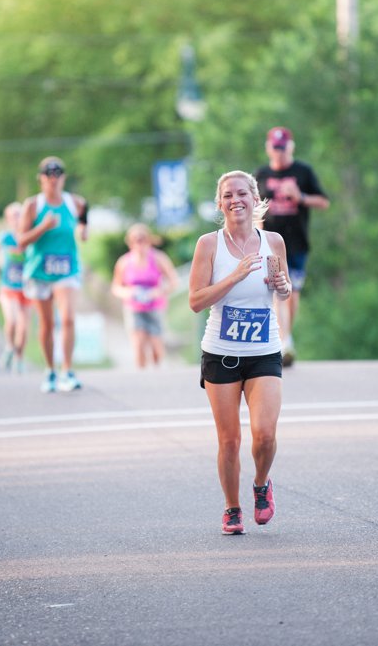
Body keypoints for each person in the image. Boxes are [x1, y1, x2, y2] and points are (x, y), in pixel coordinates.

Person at [189, 170, 292, 535]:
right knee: (229, 440)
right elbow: (195, 301)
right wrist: (233, 276)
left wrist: (282, 285)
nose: (236, 200)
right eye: (228, 195)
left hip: (264, 350)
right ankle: (232, 509)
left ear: (255, 198)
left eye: (242, 193)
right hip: (221, 353)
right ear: (220, 204)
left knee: (264, 434)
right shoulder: (209, 245)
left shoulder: (273, 241)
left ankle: (261, 485)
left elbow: (283, 291)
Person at [254, 126, 329, 367]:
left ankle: (286, 337)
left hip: (297, 244)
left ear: (291, 147)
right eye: (275, 148)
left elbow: (324, 201)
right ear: (268, 148)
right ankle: (283, 342)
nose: (279, 153)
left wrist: (301, 197)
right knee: (279, 290)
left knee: (292, 294)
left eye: (283, 148)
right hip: (271, 243)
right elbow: (255, 207)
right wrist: (257, 233)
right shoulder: (261, 174)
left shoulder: (303, 171)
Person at [17, 156, 89, 393]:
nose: (54, 180)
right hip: (39, 272)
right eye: (49, 175)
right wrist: (42, 227)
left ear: (63, 178)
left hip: (66, 269)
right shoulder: (32, 206)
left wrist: (83, 228)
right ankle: (50, 370)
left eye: (58, 175)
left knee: (67, 318)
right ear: (41, 179)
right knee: (47, 324)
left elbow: (84, 210)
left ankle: (67, 370)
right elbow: (21, 241)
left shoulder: (73, 202)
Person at [110, 223, 180, 368]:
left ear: (148, 240)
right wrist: (128, 292)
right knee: (138, 344)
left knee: (156, 347)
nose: (139, 242)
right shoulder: (124, 262)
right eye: (135, 239)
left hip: (155, 307)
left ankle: (157, 372)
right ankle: (141, 379)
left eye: (142, 239)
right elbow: (116, 287)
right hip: (134, 308)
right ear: (129, 242)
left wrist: (158, 292)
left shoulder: (159, 258)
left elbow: (173, 281)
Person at [0, 202, 30, 374]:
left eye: (19, 214)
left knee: (23, 327)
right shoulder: (5, 237)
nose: (17, 219)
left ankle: (19, 357)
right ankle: (9, 346)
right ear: (7, 220)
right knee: (11, 321)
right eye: (13, 216)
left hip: (27, 288)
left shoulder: (29, 236)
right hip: (8, 286)